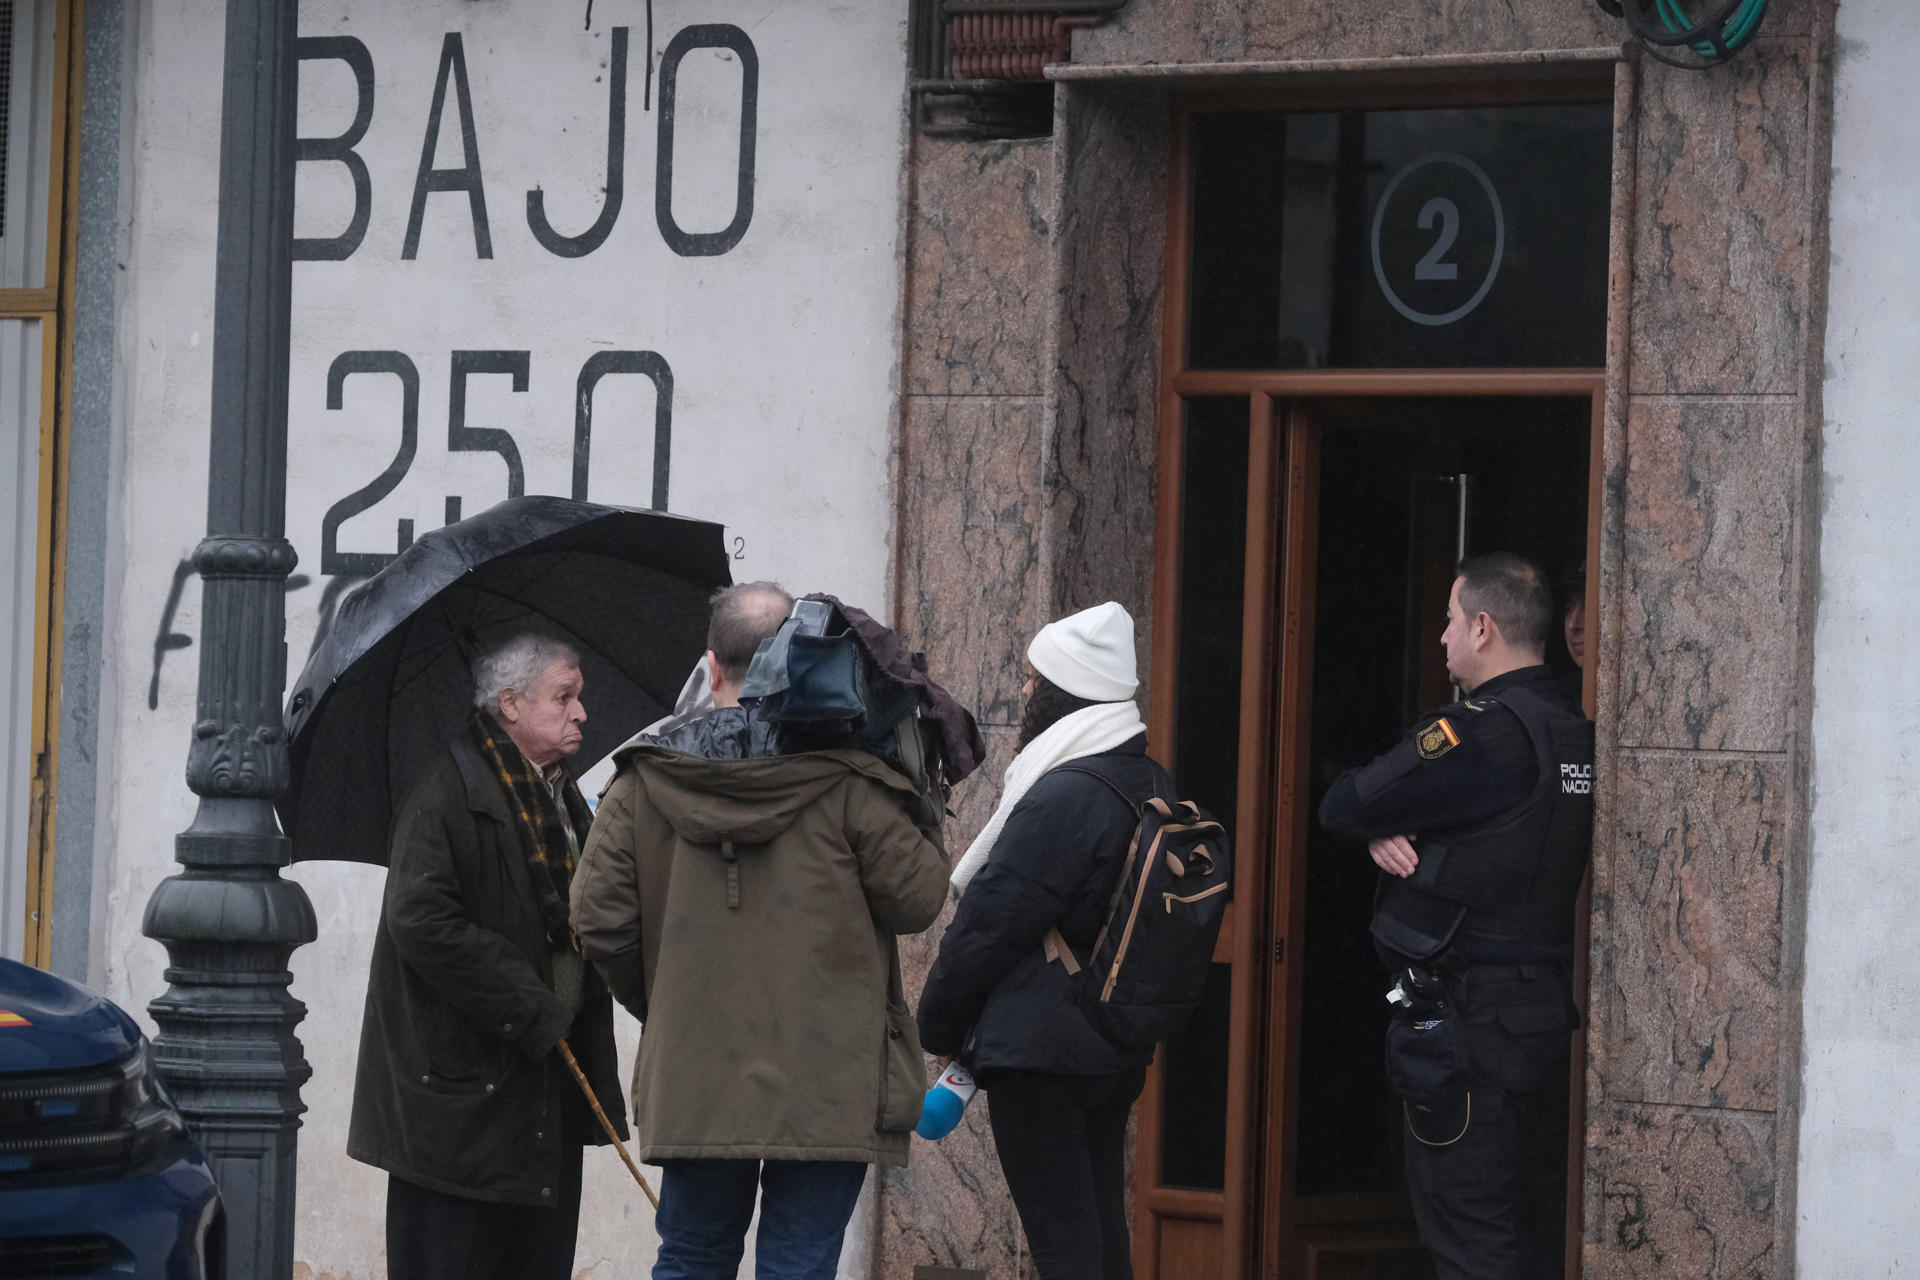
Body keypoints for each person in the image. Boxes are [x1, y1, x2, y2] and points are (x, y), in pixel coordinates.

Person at [570, 585, 950, 1280]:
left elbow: (597, 918)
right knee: (799, 1265)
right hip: (829, 1076)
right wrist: (918, 788)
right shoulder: (853, 782)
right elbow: (919, 898)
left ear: (711, 667)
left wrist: (664, 999)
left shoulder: (642, 782)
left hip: (696, 1069)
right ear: (802, 660)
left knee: (690, 1257)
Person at [1318, 552, 1595, 1280]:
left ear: (1482, 627)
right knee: (1533, 1233)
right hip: (1541, 1018)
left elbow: (1346, 802)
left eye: (1447, 620)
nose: (1441, 639)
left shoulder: (1482, 732)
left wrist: (1382, 822)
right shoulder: (1573, 725)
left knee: (1470, 1238)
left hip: (1468, 1026)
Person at [348, 633, 626, 1280]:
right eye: (564, 697)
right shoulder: (446, 794)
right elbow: (419, 919)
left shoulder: (558, 798)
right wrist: (528, 1000)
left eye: (578, 697)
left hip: (543, 1085)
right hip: (458, 1101)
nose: (581, 713)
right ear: (510, 703)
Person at [917, 601, 1164, 1280]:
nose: (1024, 692)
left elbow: (992, 922)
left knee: (1064, 1248)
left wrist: (936, 1021)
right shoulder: (1147, 780)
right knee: (1100, 1235)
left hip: (1041, 1053)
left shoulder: (1065, 793)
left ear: (1067, 689)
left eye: (1034, 680)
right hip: (1111, 1045)